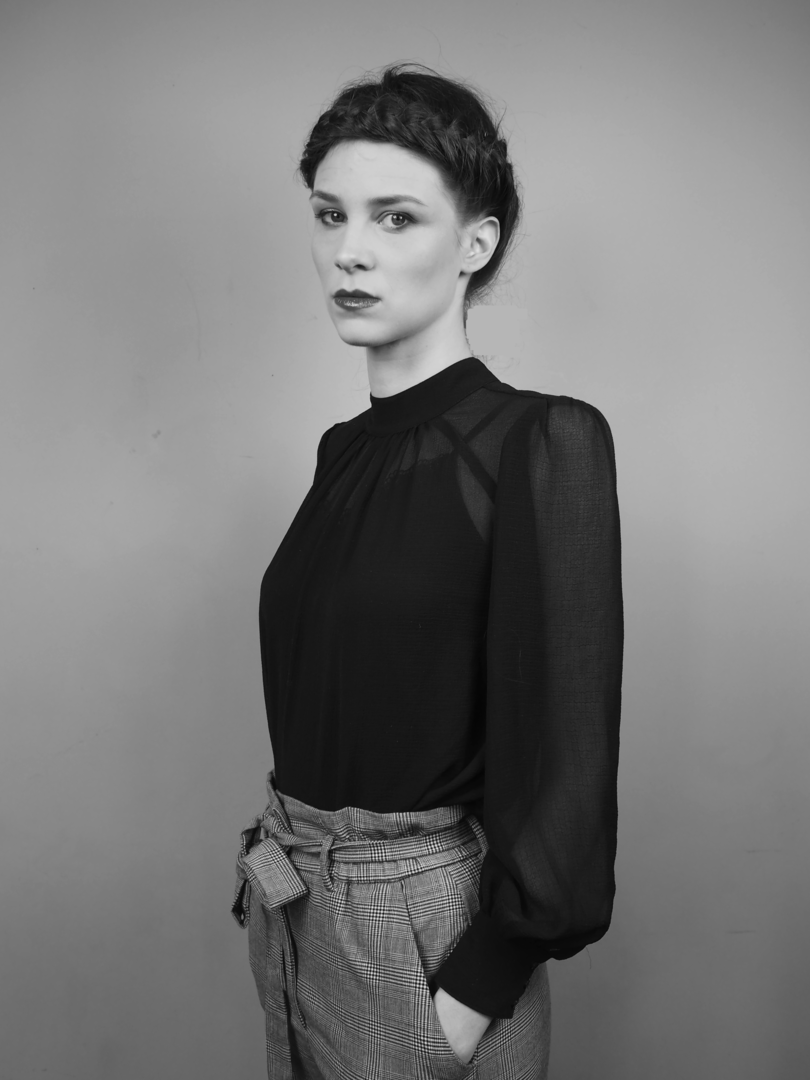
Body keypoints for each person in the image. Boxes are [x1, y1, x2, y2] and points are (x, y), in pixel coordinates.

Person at [232, 63, 623, 1080]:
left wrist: (473, 991)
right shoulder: (342, 451)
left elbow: (568, 747)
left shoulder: (540, 441)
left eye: (396, 217)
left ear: (474, 244)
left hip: (425, 940)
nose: (349, 251)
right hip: (292, 903)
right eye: (331, 215)